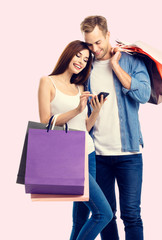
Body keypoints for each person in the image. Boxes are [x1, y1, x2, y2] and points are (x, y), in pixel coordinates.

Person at [80, 15, 151, 240]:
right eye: (89, 44)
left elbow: (144, 94)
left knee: (131, 215)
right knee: (106, 215)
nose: (94, 49)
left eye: (98, 42)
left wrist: (115, 67)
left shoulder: (130, 61)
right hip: (97, 155)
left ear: (108, 35)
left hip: (129, 154)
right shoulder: (86, 67)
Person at [37, 40, 113, 240]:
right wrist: (76, 110)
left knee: (81, 219)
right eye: (78, 55)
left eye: (86, 59)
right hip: (68, 157)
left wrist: (94, 112)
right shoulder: (47, 81)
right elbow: (46, 121)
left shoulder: (80, 87)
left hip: (88, 152)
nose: (81, 61)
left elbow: (83, 127)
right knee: (104, 214)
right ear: (68, 53)